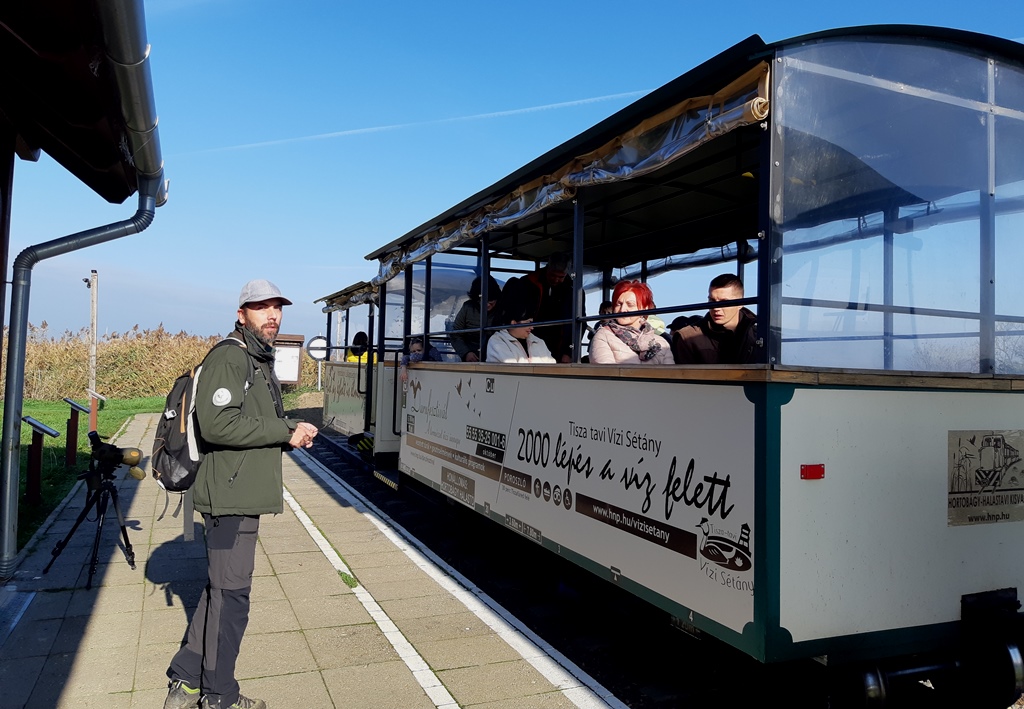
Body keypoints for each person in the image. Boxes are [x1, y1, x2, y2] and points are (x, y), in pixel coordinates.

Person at [164, 280, 318, 709]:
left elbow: (246, 419)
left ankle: (185, 679)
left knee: (219, 589)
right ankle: (219, 696)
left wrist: (287, 430)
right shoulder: (231, 356)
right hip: (228, 496)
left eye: (277, 307)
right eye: (261, 307)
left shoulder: (254, 356)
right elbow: (219, 425)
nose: (272, 314)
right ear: (241, 313)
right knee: (233, 598)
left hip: (239, 491)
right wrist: (286, 431)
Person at [672, 273, 759, 364]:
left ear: (740, 303)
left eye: (724, 302)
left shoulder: (762, 334)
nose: (716, 308)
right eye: (712, 300)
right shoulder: (687, 337)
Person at [589, 280, 674, 365]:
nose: (622, 309)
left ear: (645, 308)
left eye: (630, 305)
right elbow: (606, 374)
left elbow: (671, 375)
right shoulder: (603, 336)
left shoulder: (662, 343)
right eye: (619, 304)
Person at [517, 253, 574, 362]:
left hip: (559, 344)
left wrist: (568, 352)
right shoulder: (528, 283)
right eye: (553, 275)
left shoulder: (573, 290)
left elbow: (579, 321)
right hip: (532, 338)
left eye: (561, 277)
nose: (556, 280)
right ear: (547, 269)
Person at [486, 287, 556, 364]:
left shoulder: (538, 341)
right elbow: (511, 369)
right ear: (514, 322)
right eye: (528, 323)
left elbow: (552, 364)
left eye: (532, 323)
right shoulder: (497, 341)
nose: (532, 327)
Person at [450, 275, 501, 362]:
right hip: (471, 359)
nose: (488, 305)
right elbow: (456, 334)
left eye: (491, 302)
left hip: (496, 357)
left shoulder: (502, 310)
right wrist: (466, 353)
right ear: (476, 299)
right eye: (484, 301)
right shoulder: (467, 308)